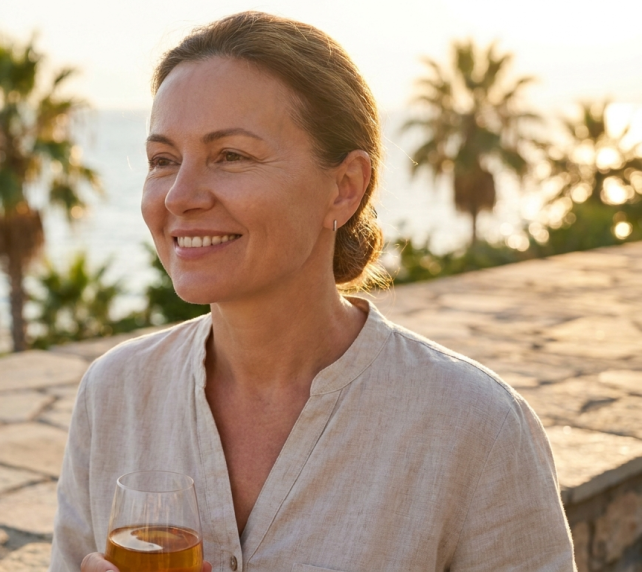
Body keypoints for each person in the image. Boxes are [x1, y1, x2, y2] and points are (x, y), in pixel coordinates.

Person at [51, 11, 574, 572]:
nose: (179, 196)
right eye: (163, 160)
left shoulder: (475, 427)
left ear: (344, 188)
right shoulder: (116, 394)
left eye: (230, 155)